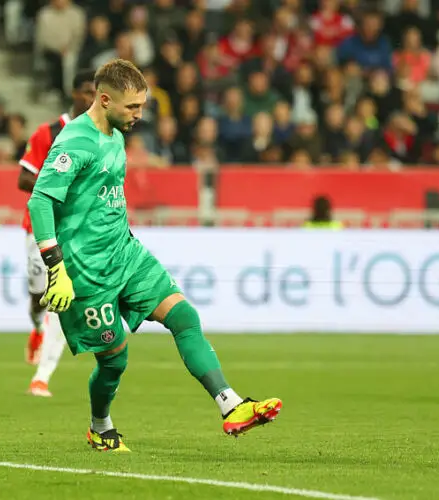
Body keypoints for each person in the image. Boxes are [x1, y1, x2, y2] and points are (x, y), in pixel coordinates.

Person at [27, 59, 282, 452]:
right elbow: (40, 201)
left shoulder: (114, 133)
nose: (139, 115)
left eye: (141, 106)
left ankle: (231, 405)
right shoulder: (76, 141)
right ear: (105, 98)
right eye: (132, 107)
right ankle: (100, 426)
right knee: (114, 361)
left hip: (126, 255)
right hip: (85, 272)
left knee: (184, 316)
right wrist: (56, 267)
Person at [17, 69, 96, 393]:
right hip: (39, 227)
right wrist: (58, 189)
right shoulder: (48, 132)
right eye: (87, 93)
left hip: (75, 232)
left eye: (97, 93)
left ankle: (42, 377)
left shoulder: (99, 136)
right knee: (39, 298)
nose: (93, 99)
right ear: (75, 94)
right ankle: (36, 327)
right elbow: (23, 178)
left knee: (61, 299)